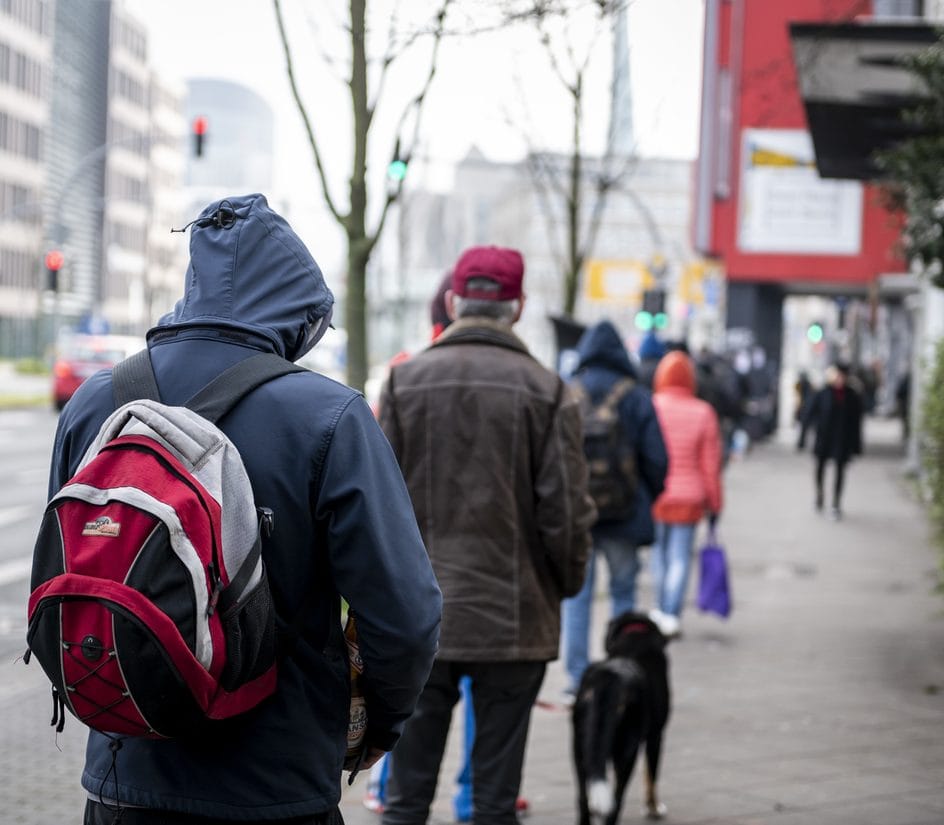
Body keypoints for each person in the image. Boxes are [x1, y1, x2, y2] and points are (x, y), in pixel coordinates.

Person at [46, 193, 442, 825]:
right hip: (275, 785)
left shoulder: (96, 404)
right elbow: (406, 615)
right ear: (297, 312)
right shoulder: (330, 417)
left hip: (124, 783)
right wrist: (374, 725)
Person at [376, 245, 595, 825]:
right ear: (518, 308)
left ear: (453, 301)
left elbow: (376, 508)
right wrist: (562, 586)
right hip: (513, 617)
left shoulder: (403, 384)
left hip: (419, 619)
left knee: (405, 798)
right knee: (496, 801)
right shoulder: (550, 393)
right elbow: (566, 515)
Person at [560, 319, 668, 697]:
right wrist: (646, 497)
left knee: (578, 598)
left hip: (580, 519)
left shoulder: (568, 393)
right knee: (623, 593)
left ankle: (576, 679)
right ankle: (624, 671)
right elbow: (657, 458)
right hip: (625, 516)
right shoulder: (636, 396)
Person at [649, 349, 724, 638]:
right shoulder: (703, 412)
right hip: (690, 497)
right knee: (680, 557)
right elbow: (710, 465)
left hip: (658, 495)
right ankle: (671, 614)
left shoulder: (652, 405)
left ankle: (658, 608)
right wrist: (715, 503)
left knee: (659, 555)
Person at [798, 363, 863, 520]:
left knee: (840, 471)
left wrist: (857, 445)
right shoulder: (822, 394)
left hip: (842, 440)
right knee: (819, 468)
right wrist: (802, 438)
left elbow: (857, 423)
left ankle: (836, 503)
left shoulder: (852, 396)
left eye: (843, 376)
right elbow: (808, 415)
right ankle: (820, 495)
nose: (840, 379)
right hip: (824, 438)